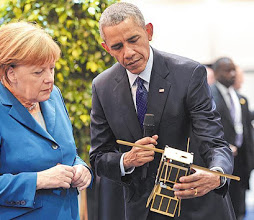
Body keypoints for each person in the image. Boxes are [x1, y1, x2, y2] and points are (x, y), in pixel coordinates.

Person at [89, 2, 235, 220]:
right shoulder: (102, 86)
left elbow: (214, 142)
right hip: (140, 210)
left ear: (148, 32)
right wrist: (126, 160)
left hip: (194, 204)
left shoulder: (188, 74)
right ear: (106, 48)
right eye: (117, 47)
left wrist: (218, 174)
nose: (128, 53)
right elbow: (98, 156)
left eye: (133, 40)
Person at [0, 21, 92, 220]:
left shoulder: (53, 95)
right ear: (10, 73)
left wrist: (81, 168)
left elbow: (63, 152)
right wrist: (38, 180)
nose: (49, 79)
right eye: (38, 72)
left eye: (52, 69)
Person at [210, 57, 254, 220]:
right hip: (221, 160)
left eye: (234, 70)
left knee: (239, 208)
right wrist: (223, 145)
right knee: (223, 209)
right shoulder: (208, 96)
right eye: (228, 70)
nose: (233, 74)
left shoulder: (240, 98)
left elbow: (246, 129)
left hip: (241, 161)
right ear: (216, 73)